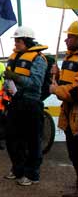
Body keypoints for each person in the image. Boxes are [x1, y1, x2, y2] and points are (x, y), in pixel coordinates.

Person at [3, 26, 47, 186]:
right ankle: (18, 169)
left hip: (31, 103)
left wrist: (16, 77)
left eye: (19, 40)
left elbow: (36, 83)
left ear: (27, 41)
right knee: (12, 138)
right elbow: (9, 79)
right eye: (15, 40)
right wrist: (6, 85)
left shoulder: (38, 59)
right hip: (15, 102)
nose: (16, 43)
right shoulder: (13, 57)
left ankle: (32, 174)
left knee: (33, 140)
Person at [50, 21, 78, 196]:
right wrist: (57, 75)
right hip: (69, 114)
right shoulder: (68, 58)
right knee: (74, 154)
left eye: (70, 37)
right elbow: (67, 83)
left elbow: (76, 92)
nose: (66, 40)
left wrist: (56, 90)